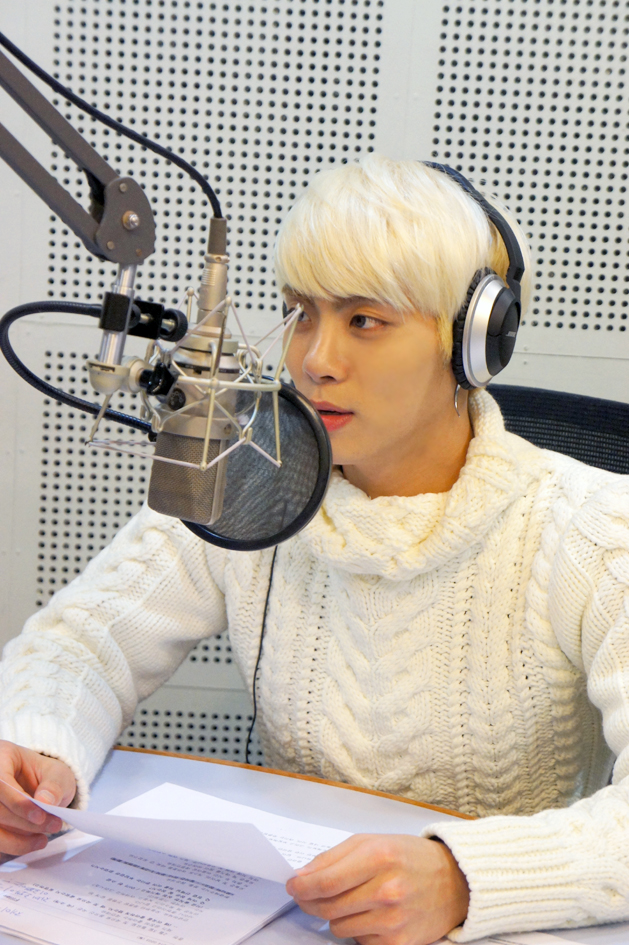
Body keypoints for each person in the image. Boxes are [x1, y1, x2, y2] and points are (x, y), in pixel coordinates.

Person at [0, 155, 628, 945]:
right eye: (300, 313)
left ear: (471, 342)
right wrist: (37, 744)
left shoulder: (592, 530)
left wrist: (464, 875)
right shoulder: (247, 482)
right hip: (300, 917)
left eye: (364, 320)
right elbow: (83, 640)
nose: (314, 360)